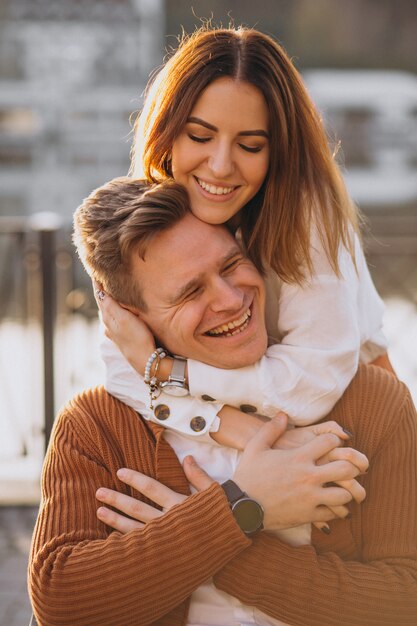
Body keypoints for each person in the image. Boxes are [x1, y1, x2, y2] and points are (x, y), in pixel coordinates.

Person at [29, 178, 417, 626]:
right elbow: (62, 605)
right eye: (190, 292)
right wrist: (241, 508)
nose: (232, 300)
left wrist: (219, 544)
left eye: (231, 265)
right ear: (130, 318)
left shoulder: (372, 401)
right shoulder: (97, 423)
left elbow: (404, 602)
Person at [96, 26, 394, 454]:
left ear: (278, 152)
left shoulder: (306, 214)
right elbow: (120, 361)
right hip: (268, 450)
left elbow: (311, 385)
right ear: (166, 132)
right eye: (200, 136)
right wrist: (231, 428)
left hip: (359, 430)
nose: (220, 166)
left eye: (250, 146)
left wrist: (164, 371)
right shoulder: (150, 213)